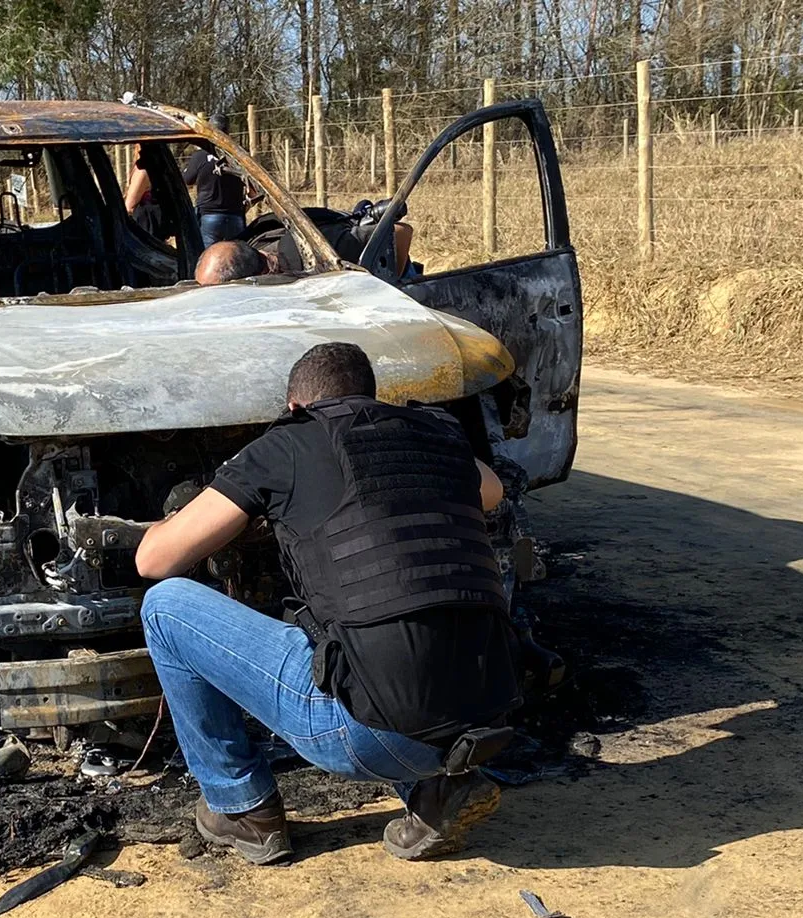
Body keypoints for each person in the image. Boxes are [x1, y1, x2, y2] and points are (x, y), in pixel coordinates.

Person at [136, 342, 521, 865]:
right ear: (371, 398)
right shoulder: (440, 433)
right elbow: (491, 490)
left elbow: (154, 559)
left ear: (295, 407)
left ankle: (241, 806)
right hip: (484, 715)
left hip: (362, 736)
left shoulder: (288, 444)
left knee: (165, 606)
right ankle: (435, 791)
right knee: (377, 619)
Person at [182, 115, 250, 247]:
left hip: (209, 215)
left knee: (208, 257)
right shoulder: (239, 156)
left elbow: (187, 179)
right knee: (236, 258)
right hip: (235, 215)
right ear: (228, 132)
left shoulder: (200, 156)